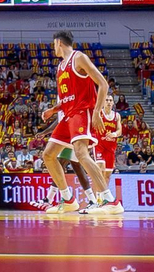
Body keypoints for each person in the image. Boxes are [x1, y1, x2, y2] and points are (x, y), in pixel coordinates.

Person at [41, 32, 120, 215]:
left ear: (58, 42)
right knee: (49, 155)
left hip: (81, 112)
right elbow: (69, 98)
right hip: (68, 114)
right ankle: (68, 199)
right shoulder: (60, 67)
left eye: (54, 44)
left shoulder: (79, 58)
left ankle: (110, 200)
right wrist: (54, 110)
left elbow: (103, 85)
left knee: (81, 153)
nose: (53, 47)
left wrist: (98, 112)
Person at [94, 90, 124, 206]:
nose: (108, 102)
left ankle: (103, 199)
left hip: (111, 147)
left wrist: (114, 134)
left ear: (113, 103)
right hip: (99, 145)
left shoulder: (117, 116)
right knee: (99, 170)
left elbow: (119, 130)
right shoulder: (99, 113)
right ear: (103, 102)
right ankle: (98, 199)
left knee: (107, 175)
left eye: (110, 100)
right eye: (106, 100)